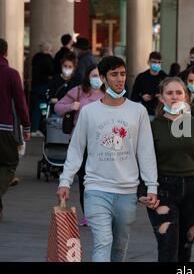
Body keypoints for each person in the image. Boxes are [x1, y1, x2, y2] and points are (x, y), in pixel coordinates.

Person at [57, 56, 159, 262]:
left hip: (127, 191)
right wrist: (65, 180)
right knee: (103, 242)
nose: (120, 79)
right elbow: (76, 150)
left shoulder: (137, 111)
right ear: (103, 78)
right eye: (114, 75)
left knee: (119, 248)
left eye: (122, 74)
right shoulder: (89, 112)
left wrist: (151, 186)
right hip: (96, 188)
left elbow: (145, 151)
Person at [138, 77, 194, 262]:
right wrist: (141, 191)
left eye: (179, 92)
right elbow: (142, 161)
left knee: (185, 247)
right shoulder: (152, 127)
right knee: (167, 245)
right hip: (163, 191)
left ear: (186, 97)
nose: (174, 96)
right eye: (169, 93)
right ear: (161, 98)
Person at [55, 65, 105, 227]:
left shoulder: (109, 93)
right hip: (80, 142)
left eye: (99, 75)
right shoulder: (77, 91)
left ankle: (101, 212)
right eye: (93, 75)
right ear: (87, 77)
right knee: (85, 180)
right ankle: (89, 215)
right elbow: (58, 107)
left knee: (100, 180)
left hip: (103, 144)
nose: (97, 79)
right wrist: (71, 106)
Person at [0, 38, 31, 221]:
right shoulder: (11, 74)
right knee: (9, 163)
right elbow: (20, 102)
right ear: (6, 53)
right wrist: (26, 126)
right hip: (4, 127)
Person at [131, 52, 168, 121]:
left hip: (162, 113)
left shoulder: (166, 78)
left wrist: (162, 96)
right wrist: (142, 97)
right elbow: (133, 96)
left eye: (159, 62)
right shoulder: (141, 77)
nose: (157, 64)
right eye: (154, 62)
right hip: (146, 113)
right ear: (148, 62)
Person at [30, 42, 54, 136]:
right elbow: (51, 72)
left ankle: (34, 128)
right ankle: (41, 128)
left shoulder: (36, 57)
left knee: (35, 108)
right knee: (44, 108)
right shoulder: (48, 59)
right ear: (48, 49)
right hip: (44, 87)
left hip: (35, 85)